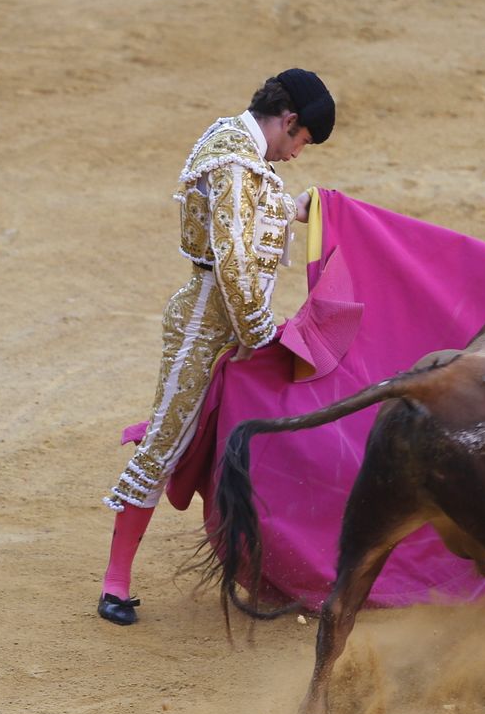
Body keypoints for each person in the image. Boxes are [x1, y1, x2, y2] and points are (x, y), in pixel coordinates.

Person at [98, 69, 336, 625]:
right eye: (301, 140)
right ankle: (114, 585)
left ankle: (272, 571)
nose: (298, 153)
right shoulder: (233, 159)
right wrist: (260, 336)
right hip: (206, 330)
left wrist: (292, 209)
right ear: (290, 120)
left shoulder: (239, 151)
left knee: (251, 441)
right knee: (165, 440)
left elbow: (245, 218)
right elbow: (230, 256)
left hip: (225, 323)